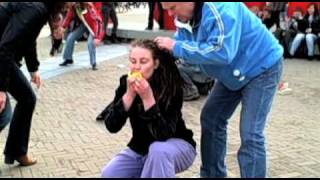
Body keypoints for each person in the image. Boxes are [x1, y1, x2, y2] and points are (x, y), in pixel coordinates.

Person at [155, 2, 283, 178]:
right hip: (232, 71)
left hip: (261, 67)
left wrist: (176, 47)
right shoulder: (185, 17)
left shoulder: (221, 8)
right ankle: (212, 175)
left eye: (172, 7)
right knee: (211, 118)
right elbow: (185, 45)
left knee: (251, 133)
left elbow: (222, 51)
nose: (170, 14)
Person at [99, 40, 196, 178]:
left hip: (176, 145)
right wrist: (129, 95)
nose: (137, 67)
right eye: (133, 61)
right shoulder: (125, 82)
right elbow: (111, 126)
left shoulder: (170, 86)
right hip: (141, 149)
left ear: (155, 64)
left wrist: (148, 98)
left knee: (158, 151)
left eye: (143, 62)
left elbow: (163, 134)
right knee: (110, 174)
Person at [0, 2, 65, 166]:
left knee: (27, 99)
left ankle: (17, 151)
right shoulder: (36, 9)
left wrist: (33, 69)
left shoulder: (39, 9)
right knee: (4, 113)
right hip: (2, 54)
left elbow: (28, 39)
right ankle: (17, 151)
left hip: (3, 54)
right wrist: (1, 88)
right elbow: (6, 46)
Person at [59, 2, 105, 70]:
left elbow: (97, 22)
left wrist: (97, 38)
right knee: (70, 38)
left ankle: (93, 63)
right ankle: (68, 58)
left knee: (90, 42)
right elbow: (69, 16)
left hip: (94, 24)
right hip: (85, 23)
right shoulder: (74, 6)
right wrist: (63, 27)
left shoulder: (90, 7)